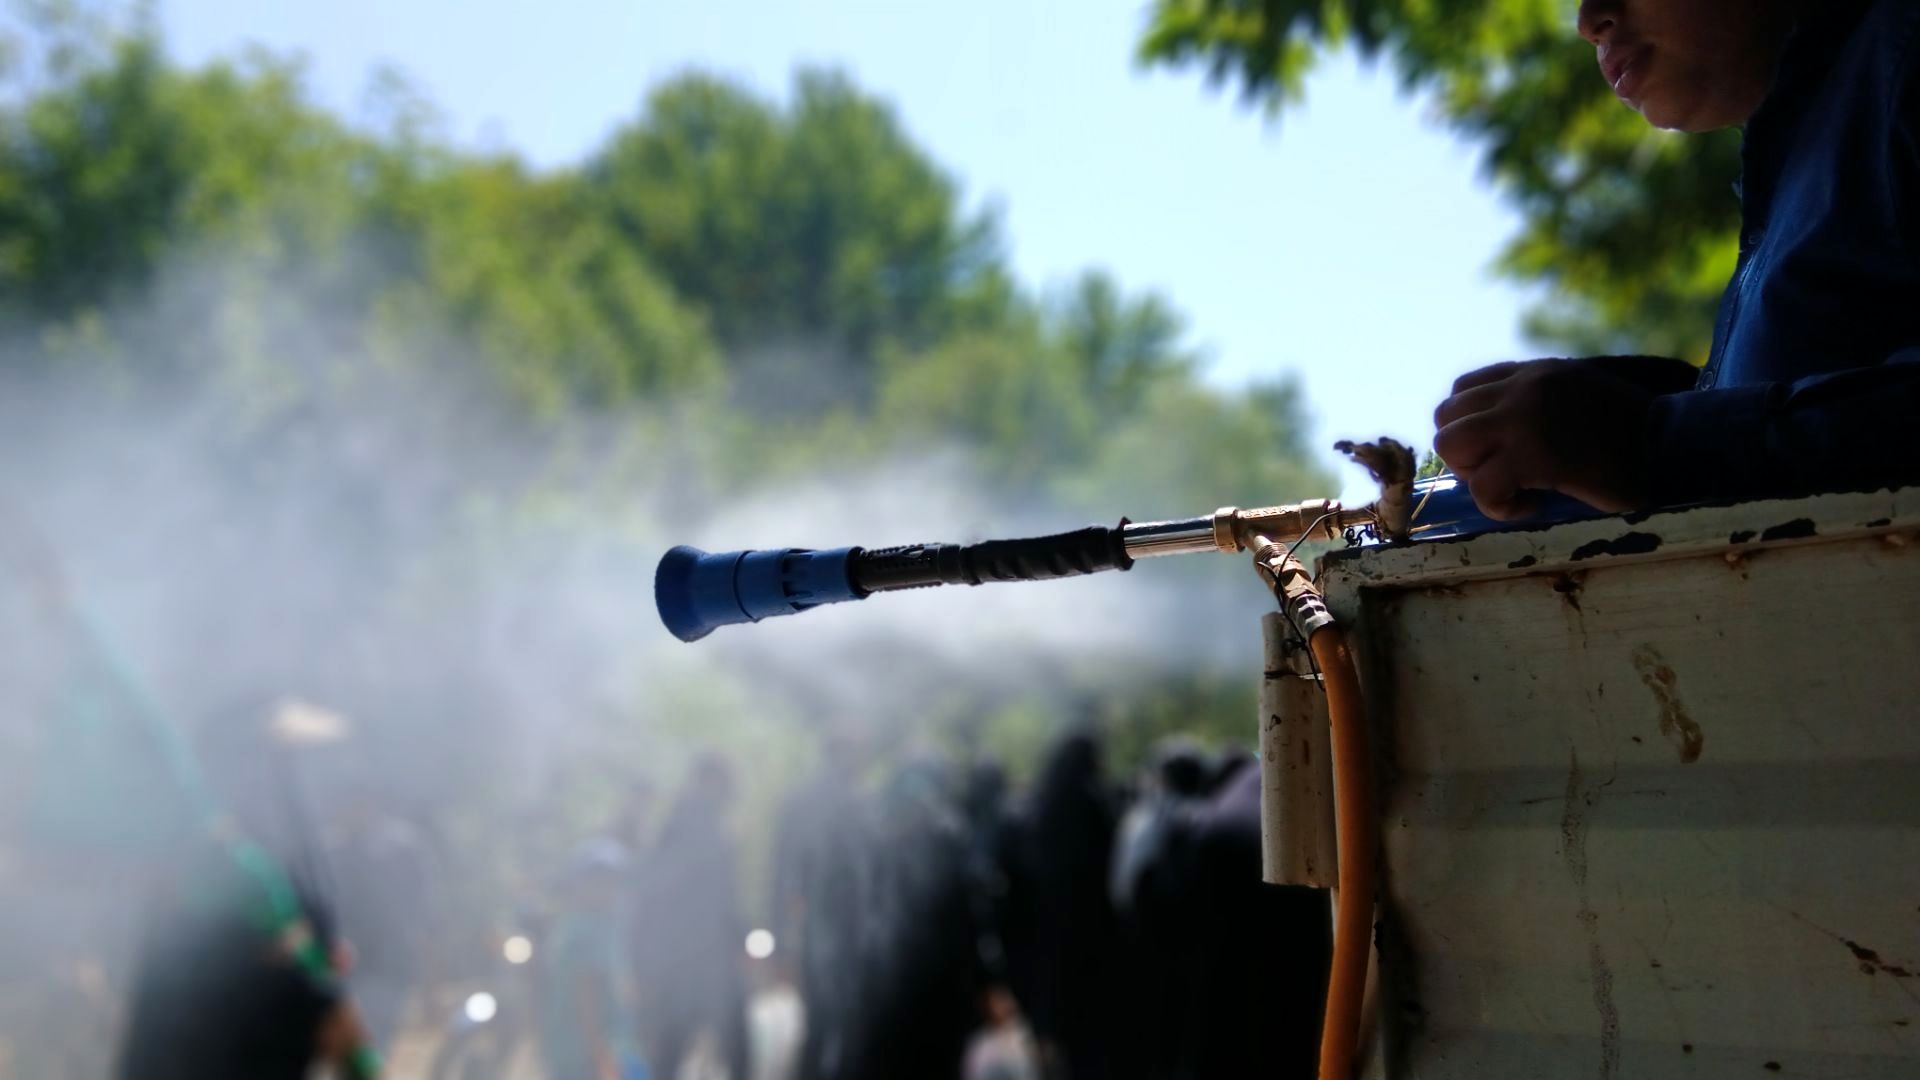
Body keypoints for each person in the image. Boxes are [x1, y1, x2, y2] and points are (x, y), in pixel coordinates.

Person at [1434, 0, 1920, 519]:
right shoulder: (1808, 141)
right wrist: (1651, 404)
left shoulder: (1902, 55)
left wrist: (1656, 445)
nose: (1588, 20)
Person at [636, 755, 751, 1080]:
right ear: (708, 781)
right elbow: (663, 894)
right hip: (695, 962)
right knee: (727, 1047)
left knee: (676, 1050)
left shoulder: (701, 826)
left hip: (695, 961)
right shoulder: (691, 826)